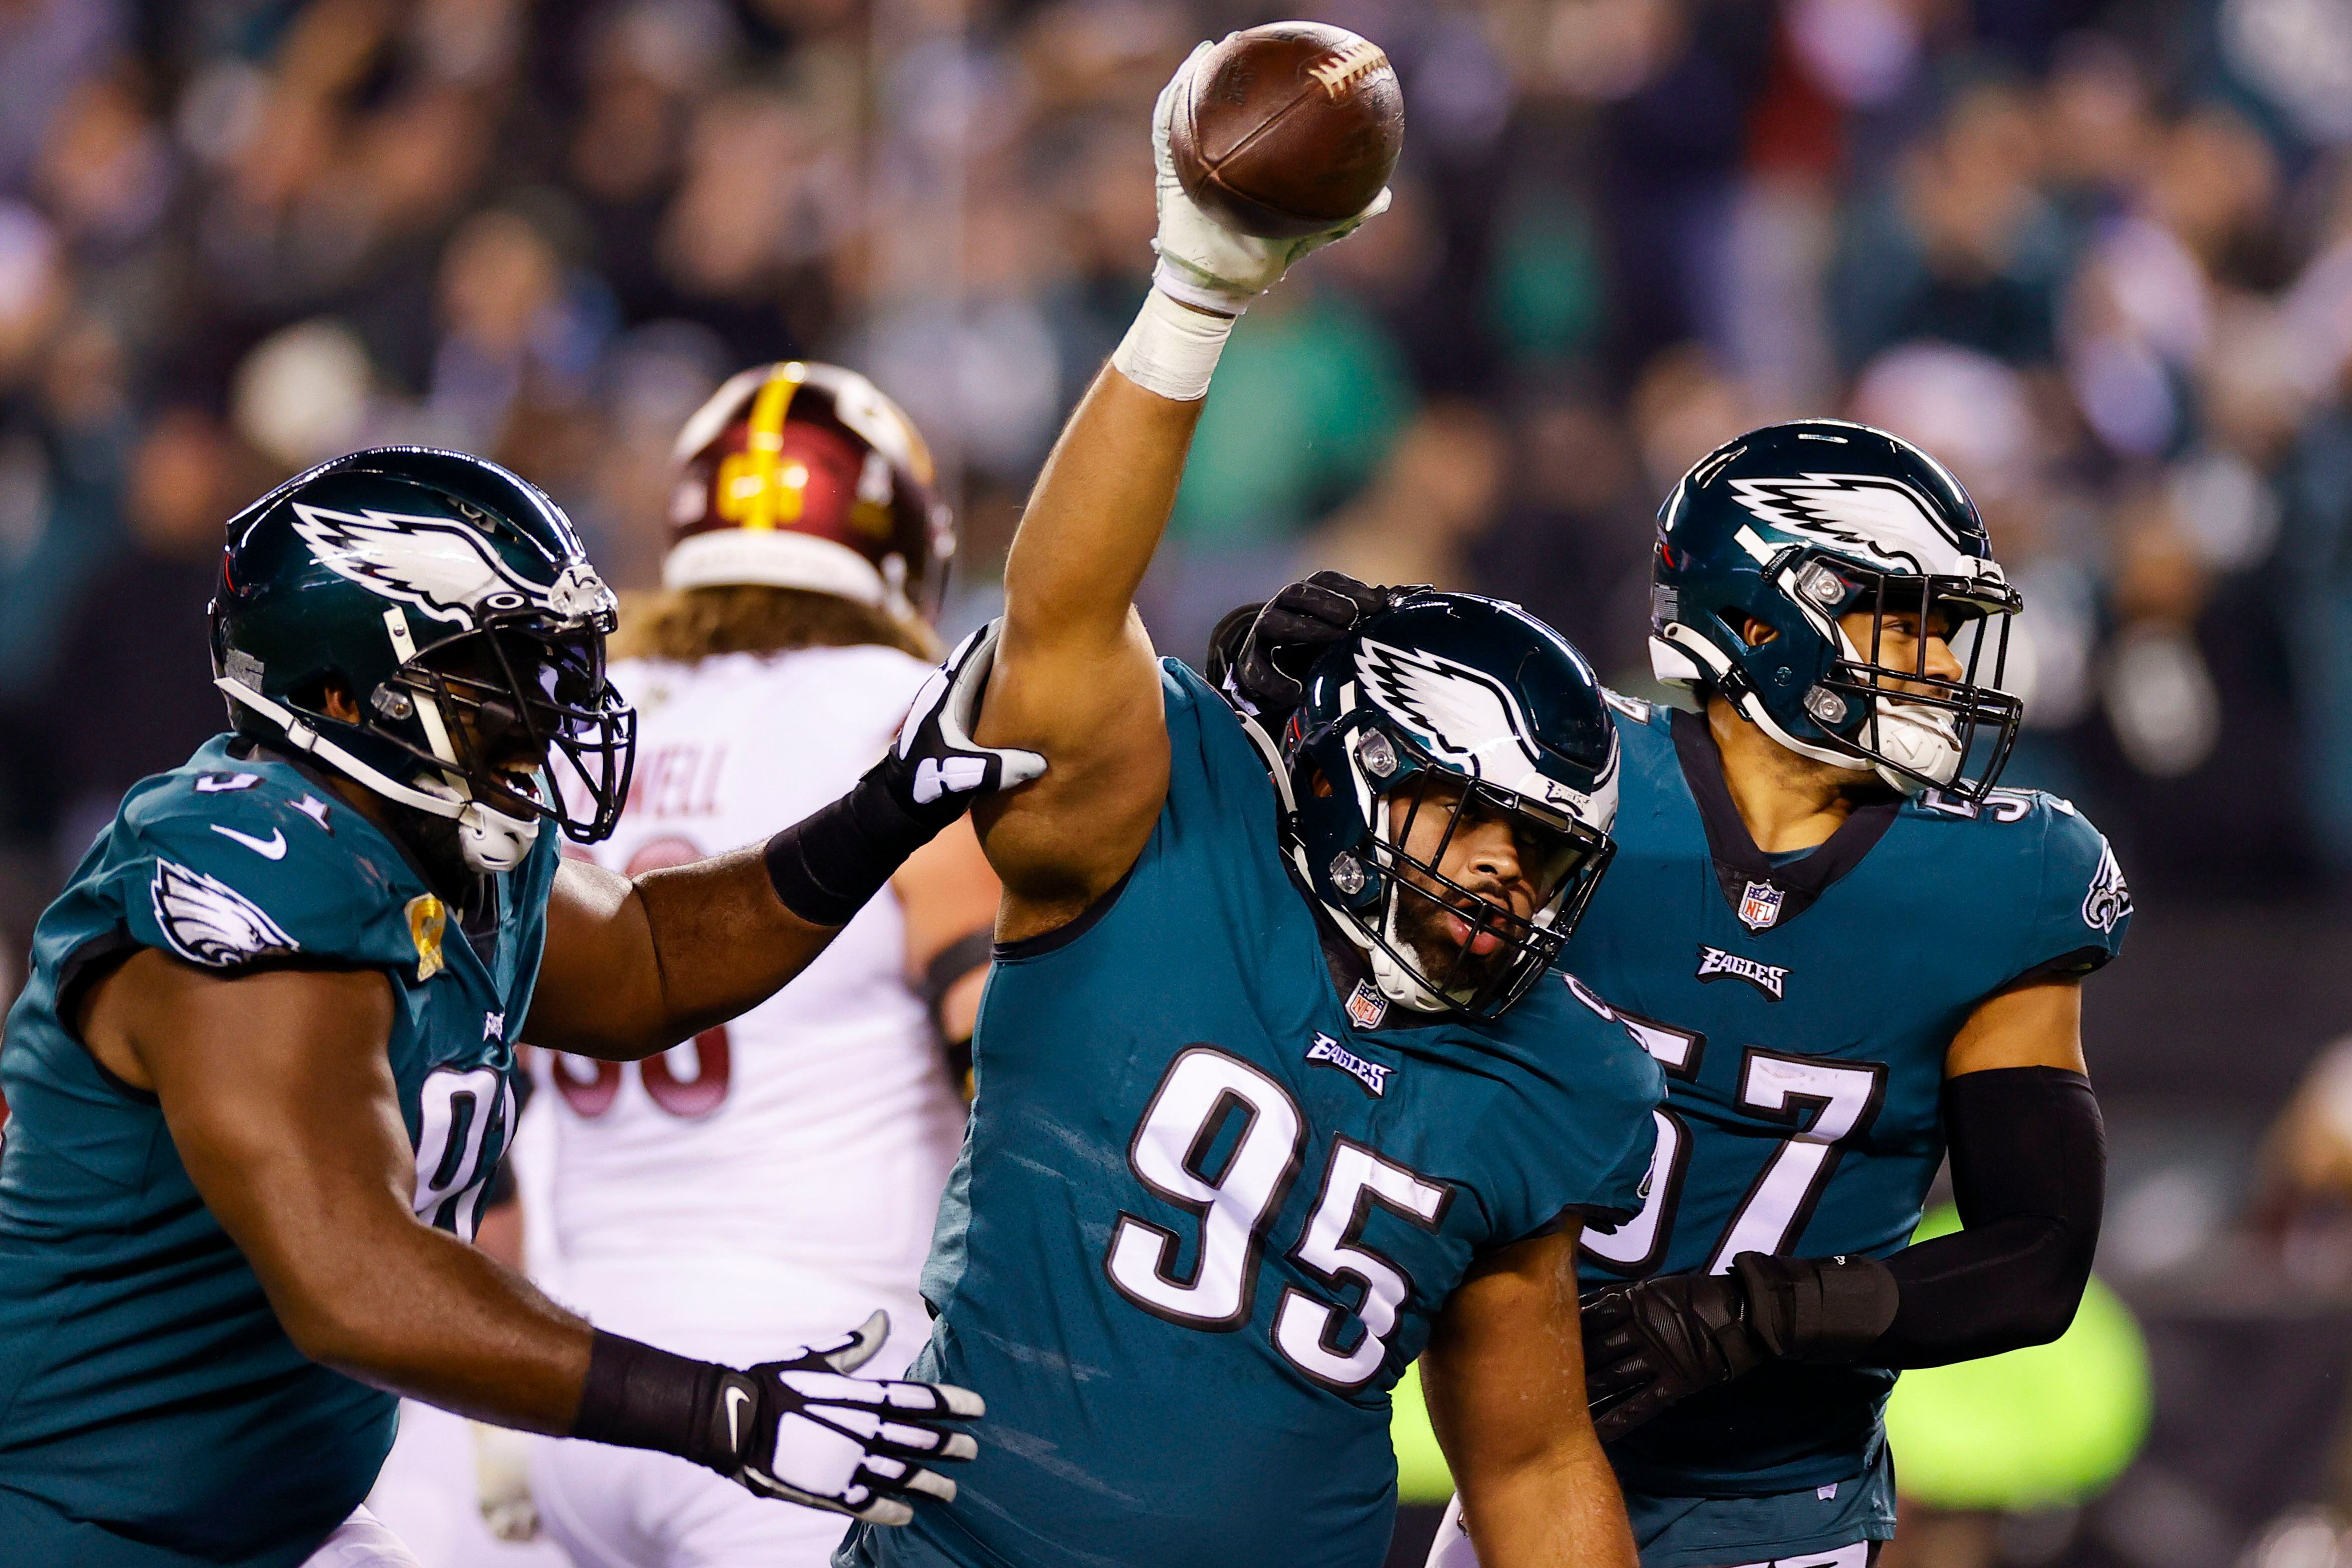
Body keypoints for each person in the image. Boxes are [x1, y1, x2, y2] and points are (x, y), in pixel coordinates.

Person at [837, 43, 1663, 1568]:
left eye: (1544, 849)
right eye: (1471, 815)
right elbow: (1061, 621)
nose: (1503, 874)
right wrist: (1196, 294)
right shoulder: (1165, 835)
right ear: (1353, 772)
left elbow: (1533, 1461)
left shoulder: (1551, 1076)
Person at [0, 446, 1033, 1567]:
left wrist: (886, 810)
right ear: (347, 689)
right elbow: (353, 1280)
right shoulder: (241, 878)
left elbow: (650, 959)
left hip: (272, 1516)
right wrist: (720, 1411)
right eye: (503, 668)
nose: (554, 706)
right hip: (76, 1518)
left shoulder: (439, 841)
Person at [1230, 422, 2127, 1568]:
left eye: (1948, 629)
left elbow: (2033, 1256)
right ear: (1760, 617)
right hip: (1510, 1463)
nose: (1942, 666)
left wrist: (1752, 1320)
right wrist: (1265, 718)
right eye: (1904, 620)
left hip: (1777, 1509)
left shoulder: (2002, 883)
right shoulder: (1556, 786)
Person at [525, 360, 1000, 1568]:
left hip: (574, 1374)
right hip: (820, 1371)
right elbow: (996, 1061)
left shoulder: (582, 720)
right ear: (903, 546)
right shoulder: (911, 710)